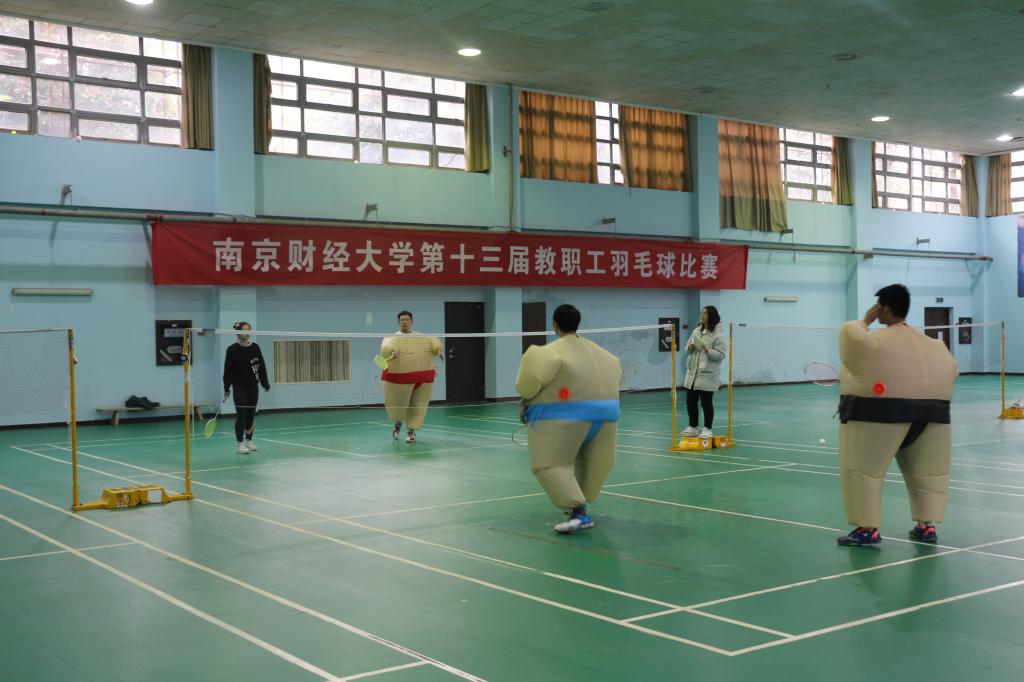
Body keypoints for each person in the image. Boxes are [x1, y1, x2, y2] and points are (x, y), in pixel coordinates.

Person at [836, 284, 958, 546]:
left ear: (883, 308)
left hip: (879, 416)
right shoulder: (936, 346)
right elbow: (952, 370)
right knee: (928, 474)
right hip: (933, 416)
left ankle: (867, 529)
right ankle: (926, 526)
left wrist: (865, 321)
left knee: (863, 472)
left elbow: (850, 335)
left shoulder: (875, 342)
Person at [515, 304, 622, 534]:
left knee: (550, 465)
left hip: (564, 418)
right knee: (596, 462)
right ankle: (580, 502)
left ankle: (579, 512)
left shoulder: (547, 353)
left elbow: (526, 384)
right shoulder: (607, 357)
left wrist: (525, 401)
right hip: (607, 417)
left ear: (554, 324)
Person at [380, 311, 442, 444]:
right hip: (400, 380)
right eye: (402, 319)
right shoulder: (392, 338)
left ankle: (411, 432)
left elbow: (434, 341)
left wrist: (437, 350)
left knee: (418, 406)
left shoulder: (422, 337)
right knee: (398, 406)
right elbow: (386, 347)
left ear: (411, 321)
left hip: (423, 378)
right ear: (398, 322)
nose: (404, 321)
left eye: (407, 319)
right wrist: (392, 353)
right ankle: (397, 424)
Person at [222, 321, 270, 455]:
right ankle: (240, 443)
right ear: (238, 333)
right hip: (239, 387)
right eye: (244, 330)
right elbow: (228, 370)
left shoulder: (255, 348)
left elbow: (261, 367)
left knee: (250, 414)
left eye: (249, 330)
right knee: (241, 414)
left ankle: (249, 440)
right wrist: (226, 388)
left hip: (253, 386)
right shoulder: (232, 350)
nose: (247, 333)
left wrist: (265, 383)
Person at [681, 306, 727, 439]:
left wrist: (708, 350)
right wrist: (690, 347)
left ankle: (707, 429)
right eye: (701, 312)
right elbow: (686, 348)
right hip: (692, 373)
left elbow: (721, 355)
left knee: (706, 402)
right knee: (691, 401)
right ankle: (692, 427)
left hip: (707, 374)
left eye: (705, 313)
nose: (702, 315)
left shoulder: (718, 336)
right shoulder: (696, 331)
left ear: (711, 315)